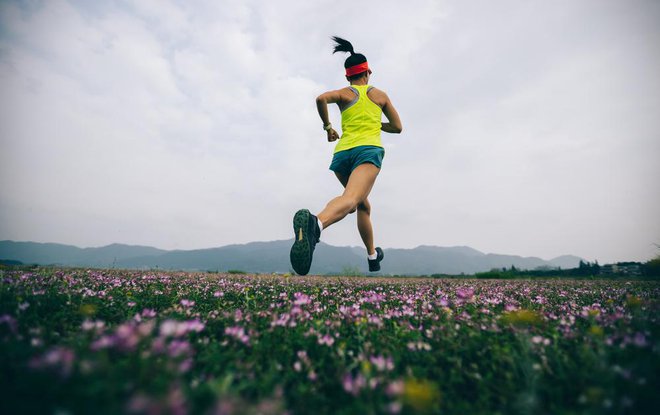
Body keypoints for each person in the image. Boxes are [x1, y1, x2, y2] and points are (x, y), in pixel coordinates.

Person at [290, 36, 402, 276]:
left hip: (342, 154)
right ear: (368, 72)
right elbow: (398, 127)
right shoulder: (379, 95)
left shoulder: (344, 93)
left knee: (362, 204)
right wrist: (378, 123)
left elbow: (321, 99)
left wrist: (328, 127)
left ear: (348, 76)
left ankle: (373, 256)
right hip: (368, 152)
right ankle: (315, 224)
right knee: (352, 200)